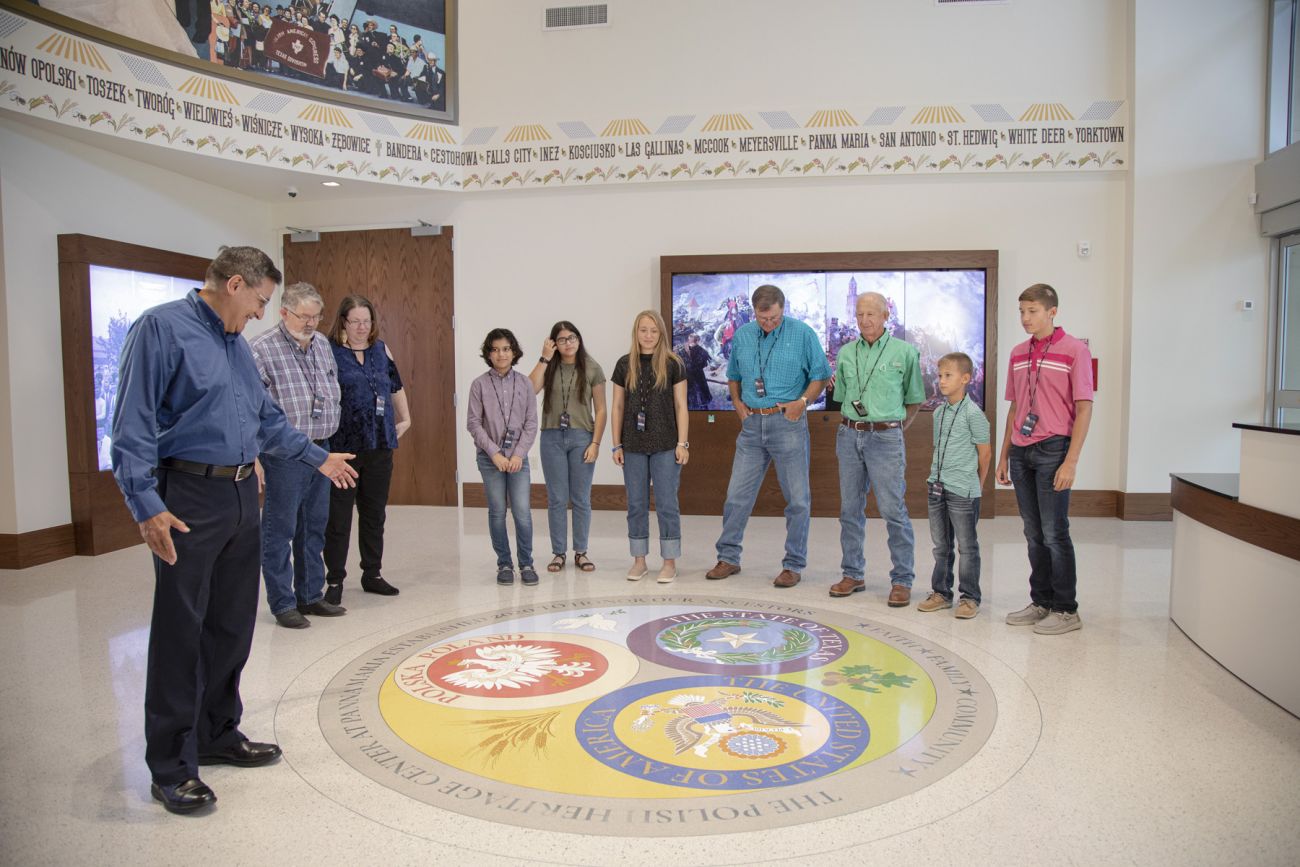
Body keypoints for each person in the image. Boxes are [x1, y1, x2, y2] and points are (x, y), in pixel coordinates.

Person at [110, 246, 357, 815]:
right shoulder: (161, 331)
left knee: (230, 626)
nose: (259, 313)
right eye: (261, 302)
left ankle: (218, 733)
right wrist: (145, 504)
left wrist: (316, 457)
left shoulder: (235, 346)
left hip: (244, 493)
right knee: (181, 629)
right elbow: (131, 425)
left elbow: (268, 420)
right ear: (236, 284)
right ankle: (171, 766)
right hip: (189, 495)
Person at [707, 285, 829, 587]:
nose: (768, 324)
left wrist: (801, 404)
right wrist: (736, 403)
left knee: (798, 499)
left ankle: (793, 564)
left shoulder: (802, 334)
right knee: (736, 497)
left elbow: (821, 374)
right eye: (763, 319)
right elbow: (733, 375)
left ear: (782, 309)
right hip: (751, 426)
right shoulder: (744, 335)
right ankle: (728, 558)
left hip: (787, 423)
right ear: (754, 312)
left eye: (774, 318)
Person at [996, 283, 1094, 635]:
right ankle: (1041, 601)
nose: (1025, 318)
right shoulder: (1018, 353)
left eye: (1032, 311)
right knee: (1033, 532)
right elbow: (1014, 407)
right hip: (1022, 451)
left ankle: (1066, 609)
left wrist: (1071, 461)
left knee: (1055, 532)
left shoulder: (1074, 351)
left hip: (1054, 449)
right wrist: (1005, 453)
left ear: (1052, 312)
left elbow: (1084, 408)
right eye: (1021, 311)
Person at [249, 282, 344, 629]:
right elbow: (255, 410)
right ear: (284, 312)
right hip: (284, 453)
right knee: (281, 529)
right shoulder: (260, 349)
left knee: (314, 526)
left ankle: (310, 595)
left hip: (322, 449)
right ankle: (283, 602)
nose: (311, 323)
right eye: (304, 316)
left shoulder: (321, 345)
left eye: (317, 316)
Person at [829, 292, 924, 605]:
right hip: (849, 435)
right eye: (859, 314)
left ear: (886, 316)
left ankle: (902, 580)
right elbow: (841, 395)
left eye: (871, 314)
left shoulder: (905, 352)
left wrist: (891, 430)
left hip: (886, 439)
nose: (865, 320)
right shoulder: (845, 353)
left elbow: (914, 400)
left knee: (893, 510)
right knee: (850, 509)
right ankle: (853, 573)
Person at [323, 295, 412, 605]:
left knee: (374, 514)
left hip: (380, 444)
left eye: (367, 321)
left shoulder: (380, 350)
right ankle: (334, 579)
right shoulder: (329, 352)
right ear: (343, 322)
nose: (362, 327)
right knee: (338, 518)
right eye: (355, 321)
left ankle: (371, 573)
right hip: (343, 448)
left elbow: (395, 386)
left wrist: (406, 418)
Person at [611, 310, 689, 583]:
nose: (648, 335)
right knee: (636, 504)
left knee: (667, 503)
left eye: (654, 330)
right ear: (636, 333)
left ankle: (669, 561)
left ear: (662, 334)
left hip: (666, 444)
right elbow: (618, 406)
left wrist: (683, 443)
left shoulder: (673, 364)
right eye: (643, 330)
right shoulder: (624, 365)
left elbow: (681, 406)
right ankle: (639, 560)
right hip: (632, 444)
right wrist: (615, 444)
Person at [527, 321, 607, 574]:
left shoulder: (592, 368)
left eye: (572, 338)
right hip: (551, 437)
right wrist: (544, 358)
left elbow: (602, 409)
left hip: (582, 437)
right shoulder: (549, 366)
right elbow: (529, 390)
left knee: (581, 499)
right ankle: (559, 552)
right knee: (557, 499)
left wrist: (596, 443)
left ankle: (581, 551)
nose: (568, 343)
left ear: (579, 339)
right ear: (554, 343)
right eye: (562, 339)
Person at [916, 352, 991, 619]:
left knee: (967, 546)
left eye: (948, 376)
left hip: (963, 490)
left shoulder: (974, 414)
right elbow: (939, 448)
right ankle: (941, 593)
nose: (942, 381)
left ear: (966, 379)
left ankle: (970, 597)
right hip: (937, 486)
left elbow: (985, 454)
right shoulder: (938, 413)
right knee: (941, 545)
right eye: (940, 376)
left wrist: (975, 486)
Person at [467, 329, 539, 585]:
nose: (501, 354)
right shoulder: (479, 385)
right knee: (497, 511)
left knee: (522, 512)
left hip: (519, 459)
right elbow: (474, 424)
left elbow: (531, 423)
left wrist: (519, 454)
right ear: (488, 353)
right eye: (496, 349)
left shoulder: (525, 384)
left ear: (514, 352)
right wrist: (495, 453)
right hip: (490, 459)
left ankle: (527, 562)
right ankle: (504, 564)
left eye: (506, 349)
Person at [681, 332, 715, 408]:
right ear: (697, 341)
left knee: (695, 398)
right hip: (696, 376)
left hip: (691, 377)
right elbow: (704, 364)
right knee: (699, 396)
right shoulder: (703, 351)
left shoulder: (683, 351)